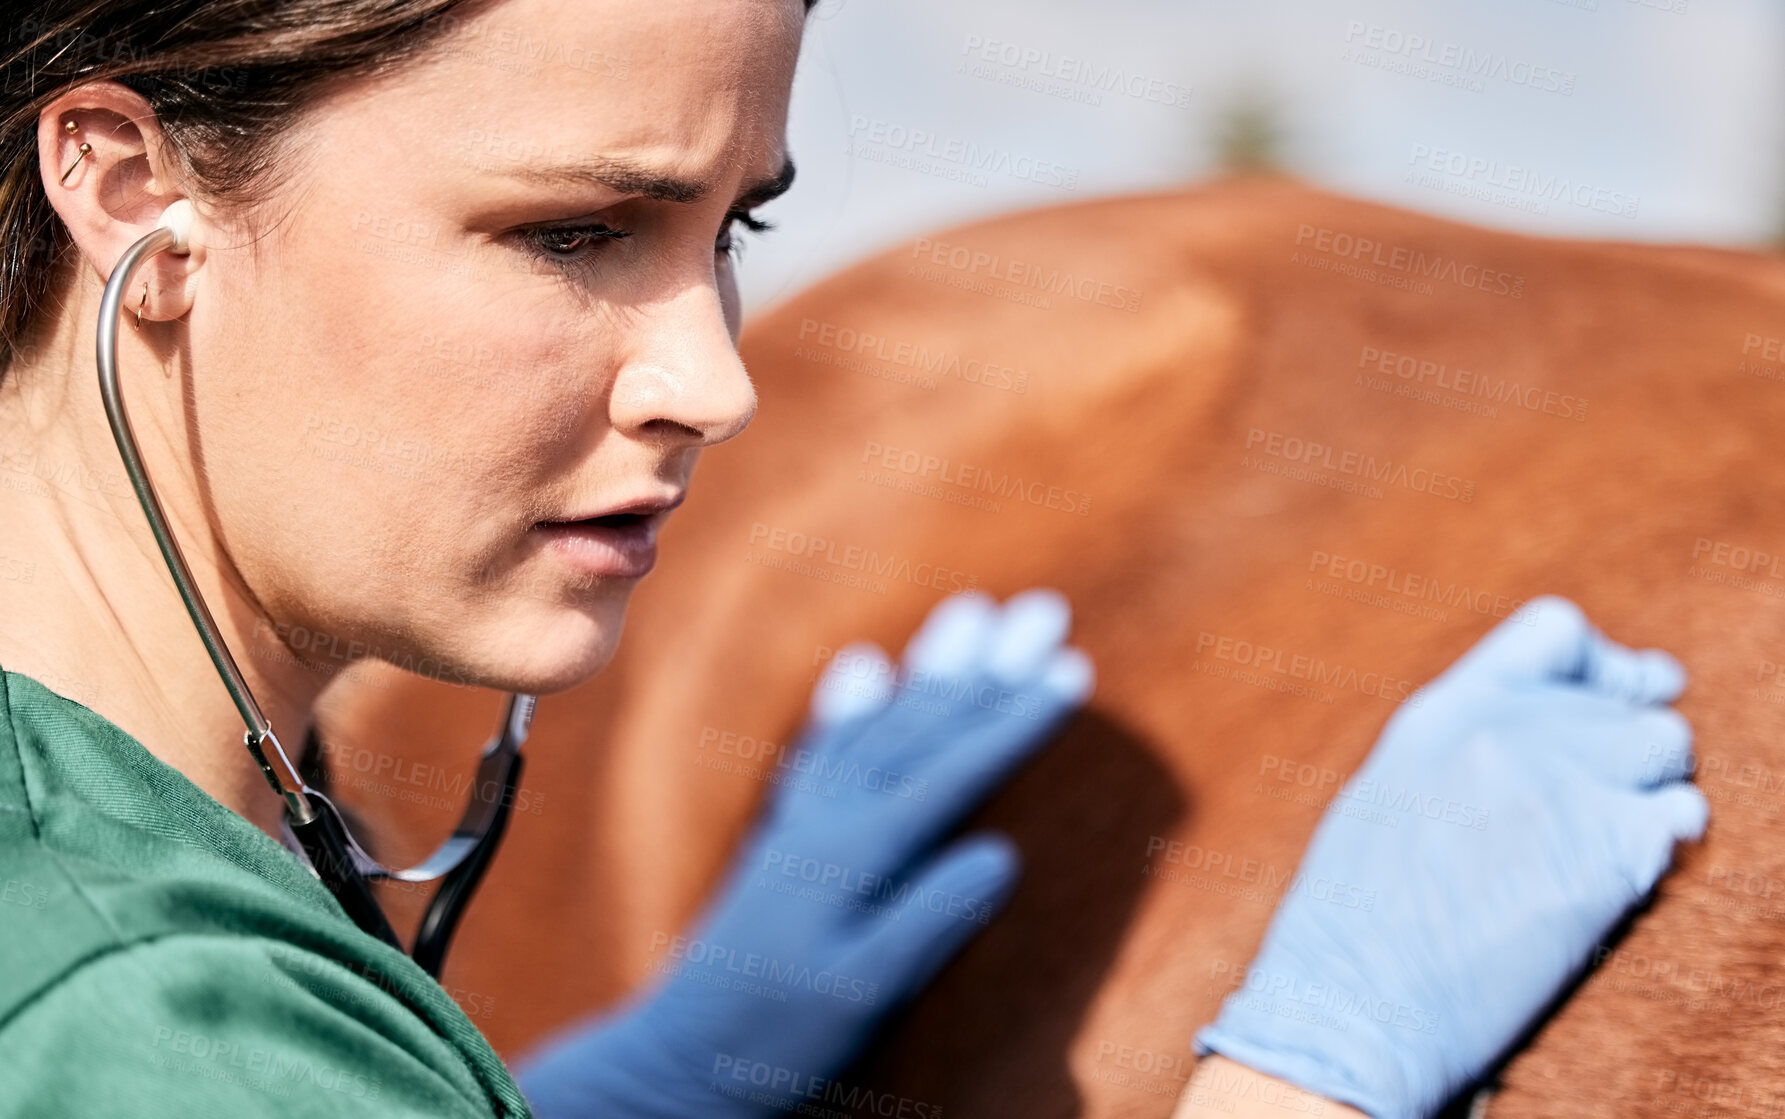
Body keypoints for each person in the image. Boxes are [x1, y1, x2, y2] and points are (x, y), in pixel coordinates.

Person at [0, 1, 1705, 1117]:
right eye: (573, 233)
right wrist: (1301, 1084)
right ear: (124, 179)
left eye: (727, 229)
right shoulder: (146, 1012)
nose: (720, 381)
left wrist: (633, 1088)